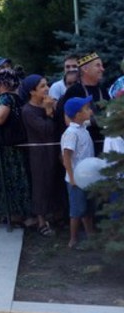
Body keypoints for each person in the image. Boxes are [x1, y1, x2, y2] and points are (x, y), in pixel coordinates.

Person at [0, 69, 31, 224]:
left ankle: (15, 214)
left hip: (8, 148)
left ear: (0, 82)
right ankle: (16, 213)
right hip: (15, 145)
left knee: (11, 180)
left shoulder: (6, 98)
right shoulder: (18, 97)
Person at [20, 75, 62, 236]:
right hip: (39, 154)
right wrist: (49, 111)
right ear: (32, 91)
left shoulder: (48, 103)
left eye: (47, 85)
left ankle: (56, 215)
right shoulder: (28, 111)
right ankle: (41, 221)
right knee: (41, 184)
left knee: (54, 182)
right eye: (42, 86)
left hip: (53, 151)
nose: (47, 89)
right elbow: (45, 130)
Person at [61, 96, 95, 249]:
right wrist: (72, 177)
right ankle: (73, 240)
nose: (90, 111)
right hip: (76, 179)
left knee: (87, 208)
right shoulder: (71, 133)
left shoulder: (83, 128)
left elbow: (92, 120)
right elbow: (66, 156)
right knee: (77, 210)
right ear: (77, 114)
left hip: (87, 177)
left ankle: (91, 236)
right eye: (86, 109)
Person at [57, 52, 110, 143]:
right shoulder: (74, 91)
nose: (102, 69)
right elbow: (67, 121)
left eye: (102, 65)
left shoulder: (102, 89)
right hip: (83, 146)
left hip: (104, 145)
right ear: (85, 69)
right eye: (98, 65)